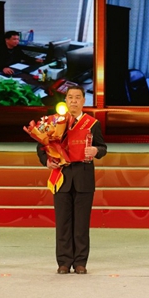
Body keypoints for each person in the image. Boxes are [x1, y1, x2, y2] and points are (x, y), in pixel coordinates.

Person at [36, 85, 107, 274]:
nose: (73, 101)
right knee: (63, 223)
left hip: (84, 178)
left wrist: (96, 150)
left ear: (84, 100)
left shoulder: (92, 123)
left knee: (82, 224)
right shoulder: (55, 122)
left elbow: (103, 147)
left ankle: (80, 262)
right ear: (65, 100)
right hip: (62, 177)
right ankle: (64, 262)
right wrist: (47, 161)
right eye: (70, 97)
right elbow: (41, 147)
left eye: (77, 97)